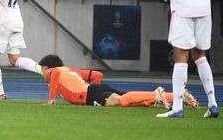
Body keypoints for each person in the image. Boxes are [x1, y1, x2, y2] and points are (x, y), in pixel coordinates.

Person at [39, 55, 199, 109]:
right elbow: (96, 75)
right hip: (95, 89)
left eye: (43, 69)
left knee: (123, 101)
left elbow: (53, 75)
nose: (42, 73)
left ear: (49, 67)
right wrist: (94, 88)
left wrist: (51, 99)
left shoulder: (53, 71)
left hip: (89, 95)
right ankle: (179, 96)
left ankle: (158, 95)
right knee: (132, 101)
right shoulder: (69, 70)